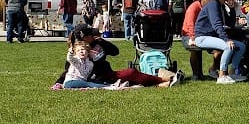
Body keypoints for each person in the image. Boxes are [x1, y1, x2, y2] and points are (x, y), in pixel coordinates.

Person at [52, 23, 180, 89]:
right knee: (131, 74)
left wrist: (102, 42)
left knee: (131, 75)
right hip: (98, 78)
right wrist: (59, 82)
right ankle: (165, 81)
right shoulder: (78, 51)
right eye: (91, 34)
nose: (94, 35)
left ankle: (164, 81)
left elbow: (115, 52)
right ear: (85, 37)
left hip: (108, 74)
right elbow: (68, 69)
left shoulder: (97, 42)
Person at [194, 0, 247, 84]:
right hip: (202, 37)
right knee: (228, 46)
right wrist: (226, 40)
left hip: (211, 36)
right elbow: (217, 25)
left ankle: (232, 73)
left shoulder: (221, 5)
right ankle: (222, 75)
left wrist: (231, 8)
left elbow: (230, 24)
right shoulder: (213, 5)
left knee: (241, 46)